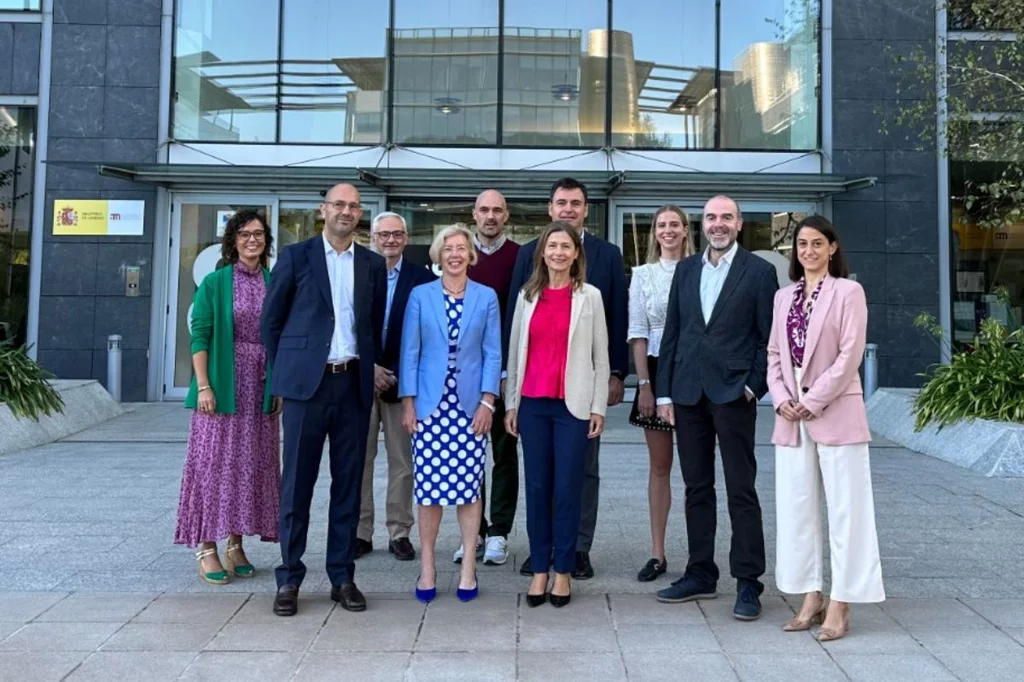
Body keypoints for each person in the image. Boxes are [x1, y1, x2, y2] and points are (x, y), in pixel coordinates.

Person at [260, 183, 387, 617]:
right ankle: (289, 576)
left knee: (348, 486)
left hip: (352, 385)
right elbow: (271, 323)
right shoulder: (296, 257)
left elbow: (372, 327)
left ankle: (342, 575)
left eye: (353, 206)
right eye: (339, 204)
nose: (346, 211)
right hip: (305, 390)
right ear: (323, 210)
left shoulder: (371, 264)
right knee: (296, 485)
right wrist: (287, 376)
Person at [655, 195, 778, 621]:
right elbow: (673, 331)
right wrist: (665, 392)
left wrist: (752, 387)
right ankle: (700, 573)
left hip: (733, 396)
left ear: (739, 224)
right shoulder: (687, 269)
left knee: (741, 490)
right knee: (696, 488)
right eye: (711, 217)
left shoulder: (760, 274)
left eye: (726, 217)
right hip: (688, 394)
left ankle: (748, 583)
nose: (718, 224)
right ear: (702, 225)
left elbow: (769, 339)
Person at [767, 215, 884, 642]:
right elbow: (775, 354)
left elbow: (850, 355)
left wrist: (812, 401)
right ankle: (810, 594)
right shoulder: (784, 297)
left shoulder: (848, 292)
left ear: (832, 248)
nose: (809, 251)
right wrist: (782, 398)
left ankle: (842, 600)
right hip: (790, 416)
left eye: (818, 243)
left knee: (846, 511)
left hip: (834, 410)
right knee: (797, 510)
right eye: (802, 244)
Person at [505, 177, 627, 580]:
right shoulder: (527, 257)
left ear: (586, 209)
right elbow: (516, 329)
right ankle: (542, 552)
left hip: (580, 389)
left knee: (580, 472)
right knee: (539, 478)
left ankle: (576, 549)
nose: (568, 209)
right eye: (561, 203)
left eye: (576, 203)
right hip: (535, 395)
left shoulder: (607, 256)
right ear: (550, 208)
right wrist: (510, 393)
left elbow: (616, 320)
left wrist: (615, 375)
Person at [175, 210, 281, 584]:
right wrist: (204, 385)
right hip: (222, 385)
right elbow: (200, 336)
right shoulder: (216, 282)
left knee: (249, 467)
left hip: (260, 388)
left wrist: (278, 386)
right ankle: (207, 546)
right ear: (233, 241)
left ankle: (236, 543)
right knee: (213, 466)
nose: (253, 240)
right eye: (245, 234)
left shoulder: (273, 280)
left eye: (259, 234)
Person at [399, 224, 501, 604]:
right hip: (429, 405)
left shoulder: (486, 297)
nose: (455, 254)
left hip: (471, 407)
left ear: (470, 255)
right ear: (438, 255)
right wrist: (408, 402)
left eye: (461, 248)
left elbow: (493, 353)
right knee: (428, 491)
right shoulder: (420, 296)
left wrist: (489, 402)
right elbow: (410, 352)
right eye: (448, 249)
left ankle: (468, 568)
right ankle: (428, 566)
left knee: (469, 488)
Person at [356, 212, 436, 562]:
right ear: (373, 237)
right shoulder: (359, 273)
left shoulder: (421, 279)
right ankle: (359, 532)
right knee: (359, 459)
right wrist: (368, 366)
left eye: (397, 234)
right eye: (383, 234)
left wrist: (402, 375)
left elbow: (427, 334)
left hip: (403, 383)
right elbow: (348, 324)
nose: (390, 240)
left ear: (406, 238)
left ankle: (399, 531)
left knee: (403, 461)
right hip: (360, 378)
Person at [627, 205, 696, 583]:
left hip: (694, 372)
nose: (667, 231)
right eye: (661, 225)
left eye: (674, 225)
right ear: (654, 233)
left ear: (686, 231)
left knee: (696, 470)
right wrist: (644, 384)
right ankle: (657, 553)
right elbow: (638, 331)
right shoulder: (642, 275)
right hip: (654, 369)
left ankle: (698, 554)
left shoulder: (702, 270)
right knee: (660, 467)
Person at [466, 189, 521, 566]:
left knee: (503, 454)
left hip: (506, 374)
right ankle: (474, 533)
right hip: (465, 375)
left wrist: (509, 372)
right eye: (484, 210)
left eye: (497, 210)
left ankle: (499, 532)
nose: (490, 216)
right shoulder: (458, 254)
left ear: (506, 215)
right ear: (474, 214)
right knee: (469, 455)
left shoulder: (521, 257)